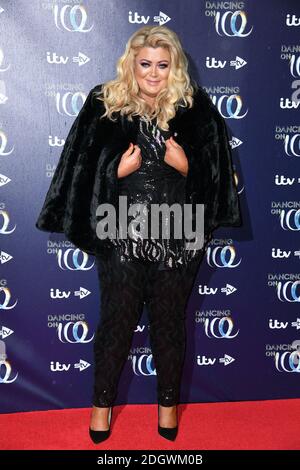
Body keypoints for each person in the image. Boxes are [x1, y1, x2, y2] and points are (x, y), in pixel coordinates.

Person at [35, 25, 242, 443]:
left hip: (178, 234)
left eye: (162, 65)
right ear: (131, 63)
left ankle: (167, 408)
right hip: (119, 232)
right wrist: (114, 172)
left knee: (169, 324)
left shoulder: (196, 107)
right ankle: (100, 409)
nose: (152, 74)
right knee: (116, 323)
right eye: (145, 64)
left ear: (175, 67)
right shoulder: (103, 103)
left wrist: (188, 167)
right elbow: (75, 173)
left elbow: (221, 182)